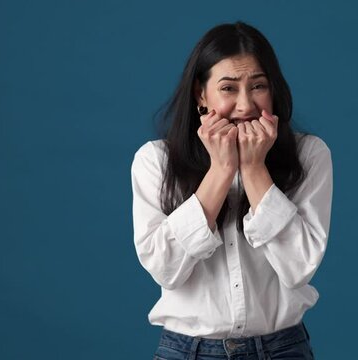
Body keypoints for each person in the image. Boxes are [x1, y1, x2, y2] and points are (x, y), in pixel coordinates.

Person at [131, 21, 332, 360]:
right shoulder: (155, 161)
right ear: (201, 94)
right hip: (187, 351)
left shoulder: (309, 155)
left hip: (282, 350)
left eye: (258, 86)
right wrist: (221, 170)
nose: (245, 105)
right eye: (228, 88)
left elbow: (299, 268)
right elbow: (166, 270)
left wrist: (254, 168)